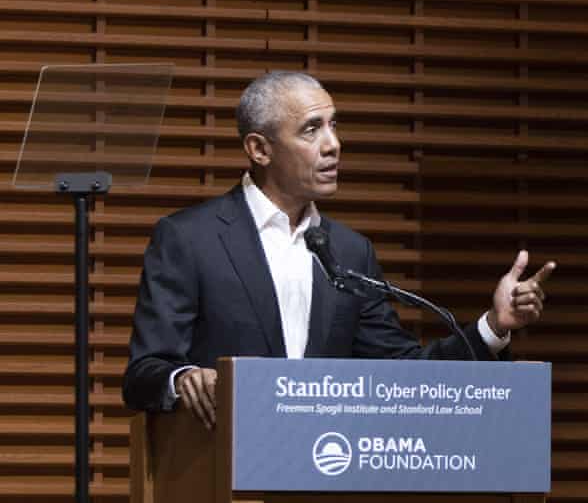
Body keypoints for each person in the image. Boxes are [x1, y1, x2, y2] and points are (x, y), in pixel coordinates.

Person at [122, 71, 556, 428]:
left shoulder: (349, 252)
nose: (333, 144)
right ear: (259, 149)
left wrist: (494, 327)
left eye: (334, 125)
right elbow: (144, 373)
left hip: (323, 469)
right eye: (312, 129)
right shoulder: (190, 237)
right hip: (216, 468)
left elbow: (403, 373)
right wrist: (184, 379)